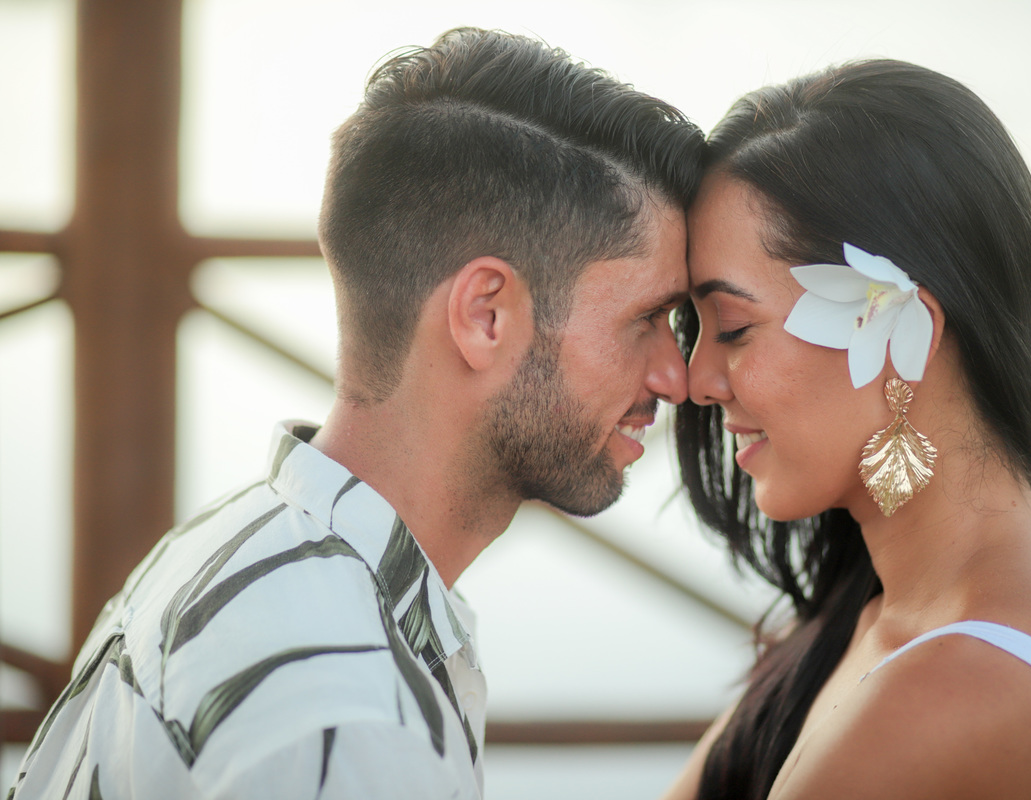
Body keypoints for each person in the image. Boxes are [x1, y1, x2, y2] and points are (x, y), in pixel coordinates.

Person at [9, 28, 701, 799]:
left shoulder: (228, 547)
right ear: (486, 316)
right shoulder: (351, 719)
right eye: (648, 318)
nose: (678, 375)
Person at [666, 60, 1031, 800]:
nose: (695, 381)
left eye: (730, 326)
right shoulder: (889, 595)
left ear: (897, 333)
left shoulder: (958, 691)